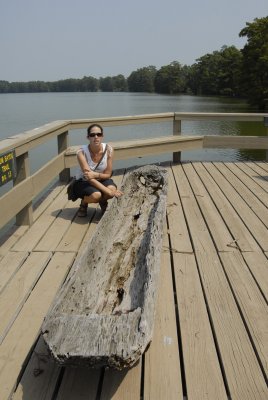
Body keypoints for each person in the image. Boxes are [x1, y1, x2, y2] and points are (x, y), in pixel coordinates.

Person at [73, 123, 123, 217]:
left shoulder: (109, 150)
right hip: (84, 181)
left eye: (98, 134)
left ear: (102, 136)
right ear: (88, 137)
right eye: (92, 135)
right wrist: (108, 192)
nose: (96, 137)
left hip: (101, 178)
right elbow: (89, 178)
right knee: (97, 195)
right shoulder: (81, 153)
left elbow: (108, 174)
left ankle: (103, 201)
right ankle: (84, 203)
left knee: (112, 188)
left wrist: (96, 175)